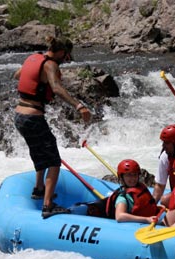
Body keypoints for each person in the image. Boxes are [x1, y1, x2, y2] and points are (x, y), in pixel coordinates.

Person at [13, 36, 92, 219]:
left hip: (19, 116)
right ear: (62, 52)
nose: (66, 60)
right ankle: (48, 205)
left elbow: (18, 75)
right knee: (53, 161)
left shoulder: (33, 58)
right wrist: (79, 106)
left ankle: (39, 188)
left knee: (39, 151)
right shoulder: (50, 65)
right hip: (32, 116)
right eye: (66, 56)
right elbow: (56, 88)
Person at [107, 159, 160, 224]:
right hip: (138, 225)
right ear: (121, 177)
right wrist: (146, 219)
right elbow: (119, 217)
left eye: (135, 175)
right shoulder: (122, 197)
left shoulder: (140, 189)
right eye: (129, 175)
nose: (133, 178)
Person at [153, 124, 175, 208]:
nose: (163, 146)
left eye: (167, 143)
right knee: (164, 200)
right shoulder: (165, 156)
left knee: (165, 200)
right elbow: (160, 186)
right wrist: (151, 206)